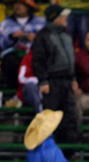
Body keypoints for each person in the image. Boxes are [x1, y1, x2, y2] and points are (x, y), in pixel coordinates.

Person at [32, 4, 78, 143]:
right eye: (62, 16)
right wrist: (43, 81)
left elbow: (71, 60)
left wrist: (73, 78)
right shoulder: (43, 36)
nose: (66, 18)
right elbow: (38, 61)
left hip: (67, 82)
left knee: (70, 117)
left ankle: (69, 153)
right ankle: (51, 151)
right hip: (52, 83)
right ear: (55, 17)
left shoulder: (66, 35)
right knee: (51, 119)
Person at [0, 0, 45, 90]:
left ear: (28, 7)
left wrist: (37, 39)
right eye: (15, 4)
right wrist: (11, 37)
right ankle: (13, 94)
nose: (18, 6)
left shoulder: (41, 22)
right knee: (10, 61)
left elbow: (48, 41)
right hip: (13, 55)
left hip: (34, 54)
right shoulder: (5, 23)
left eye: (21, 4)